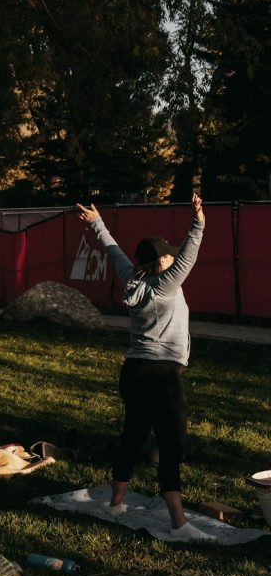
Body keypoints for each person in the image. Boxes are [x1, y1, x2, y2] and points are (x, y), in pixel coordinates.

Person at [76, 195, 212, 541]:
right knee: (172, 445)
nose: (173, 255)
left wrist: (97, 222)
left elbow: (113, 251)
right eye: (168, 253)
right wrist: (198, 218)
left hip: (134, 373)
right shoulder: (167, 284)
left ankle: (116, 503)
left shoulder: (132, 278)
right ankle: (179, 524)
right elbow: (191, 253)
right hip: (161, 376)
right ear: (163, 261)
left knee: (134, 435)